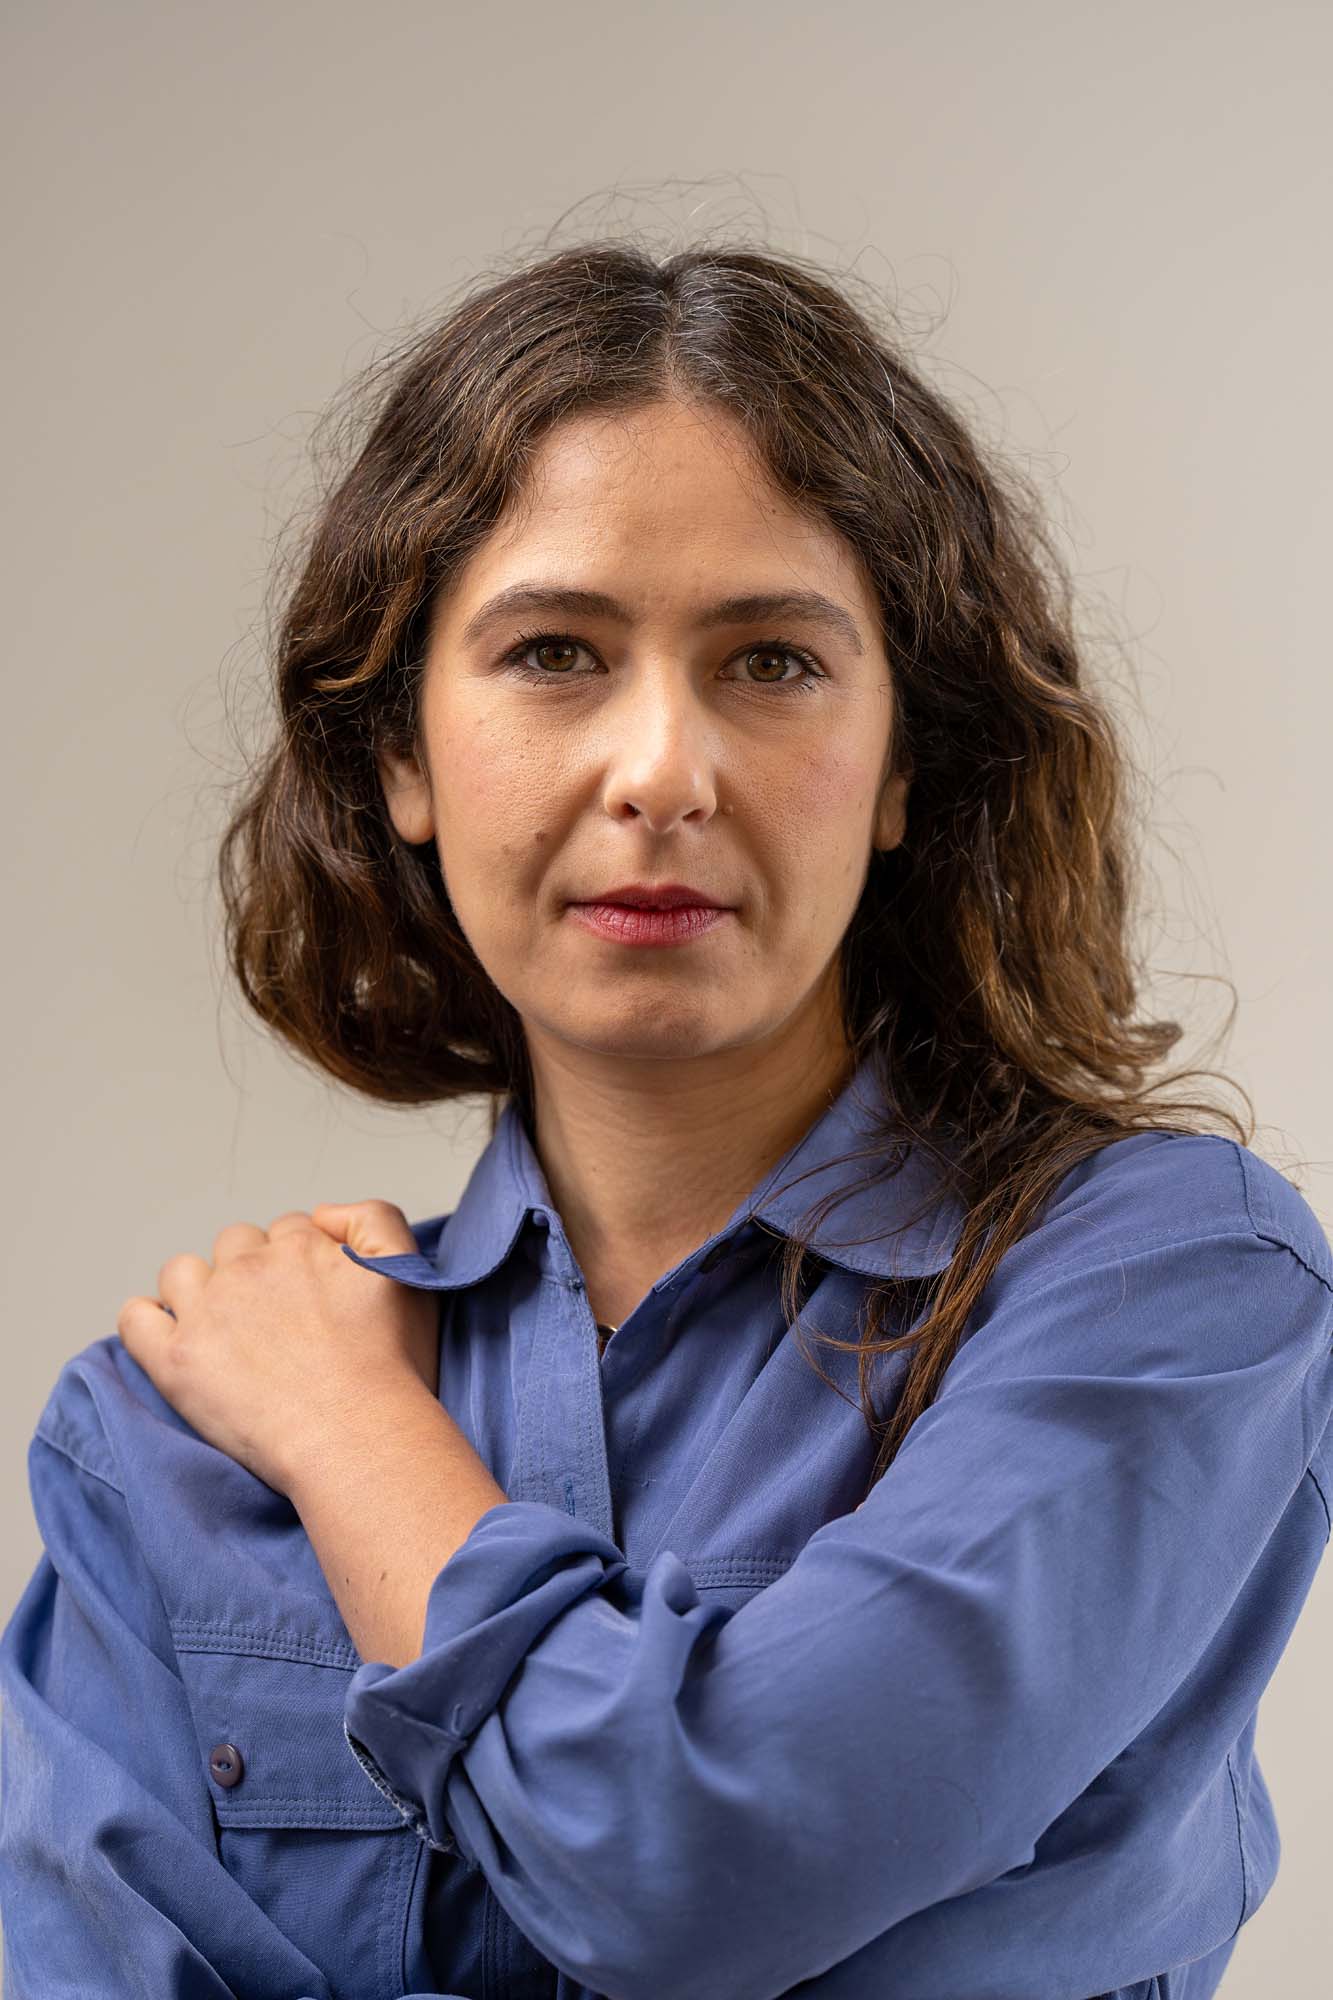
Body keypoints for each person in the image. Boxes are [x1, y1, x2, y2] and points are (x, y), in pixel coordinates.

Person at [2, 238, 1330, 2000]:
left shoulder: (1165, 1292)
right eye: (553, 651)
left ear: (903, 765)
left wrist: (354, 1440)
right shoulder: (165, 1437)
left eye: (769, 663)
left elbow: (703, 1874)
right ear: (400, 756)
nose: (659, 773)